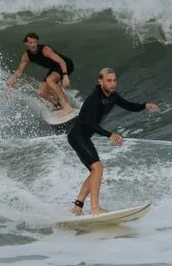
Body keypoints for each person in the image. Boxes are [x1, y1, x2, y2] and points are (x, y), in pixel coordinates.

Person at [67, 67, 159, 215]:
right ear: (100, 81)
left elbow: (128, 105)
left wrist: (144, 105)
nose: (112, 84)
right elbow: (89, 123)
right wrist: (109, 135)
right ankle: (95, 208)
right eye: (109, 80)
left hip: (84, 137)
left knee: (95, 171)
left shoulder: (113, 96)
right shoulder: (94, 98)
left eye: (114, 80)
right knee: (98, 168)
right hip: (77, 136)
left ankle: (78, 206)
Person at [7, 32, 76, 116]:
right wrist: (10, 87)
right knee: (41, 92)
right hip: (54, 68)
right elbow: (19, 72)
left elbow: (61, 61)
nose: (33, 45)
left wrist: (65, 76)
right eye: (30, 43)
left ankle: (67, 107)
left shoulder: (45, 50)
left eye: (35, 42)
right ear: (26, 43)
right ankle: (58, 105)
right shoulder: (26, 56)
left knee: (50, 80)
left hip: (66, 64)